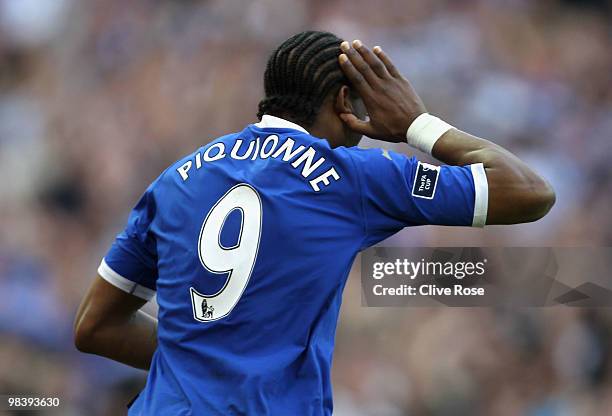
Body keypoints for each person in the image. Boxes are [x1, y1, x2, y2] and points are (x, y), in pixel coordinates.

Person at [74, 31, 555, 415]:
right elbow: (529, 193)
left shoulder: (176, 179)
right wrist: (415, 123)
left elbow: (94, 326)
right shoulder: (353, 178)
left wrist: (201, 365)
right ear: (346, 102)